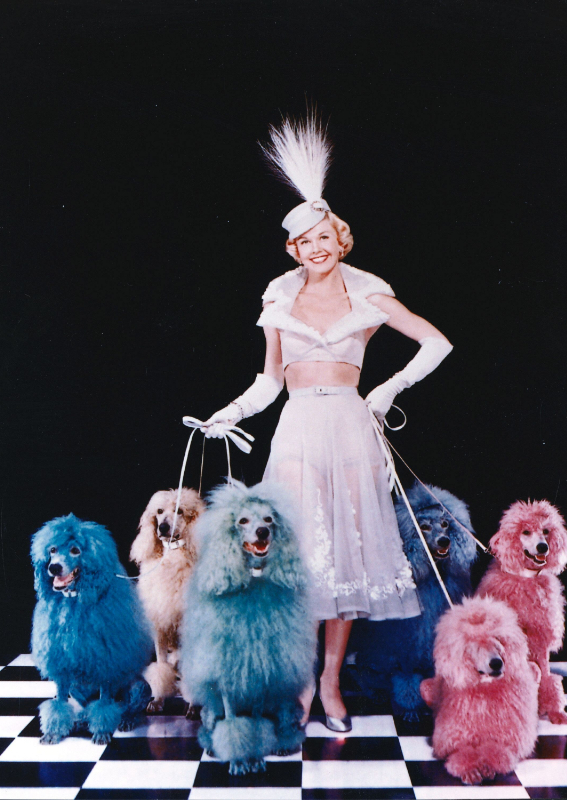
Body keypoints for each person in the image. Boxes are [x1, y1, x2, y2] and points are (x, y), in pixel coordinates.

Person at [202, 116, 452, 731]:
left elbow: (436, 342)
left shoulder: (368, 293)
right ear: (294, 249)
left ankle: (331, 683)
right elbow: (269, 381)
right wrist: (229, 413)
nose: (316, 248)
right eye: (304, 241)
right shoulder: (279, 297)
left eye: (324, 237)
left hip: (347, 428)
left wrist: (385, 389)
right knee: (301, 560)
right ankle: (299, 684)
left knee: (344, 558)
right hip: (297, 431)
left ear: (340, 239)